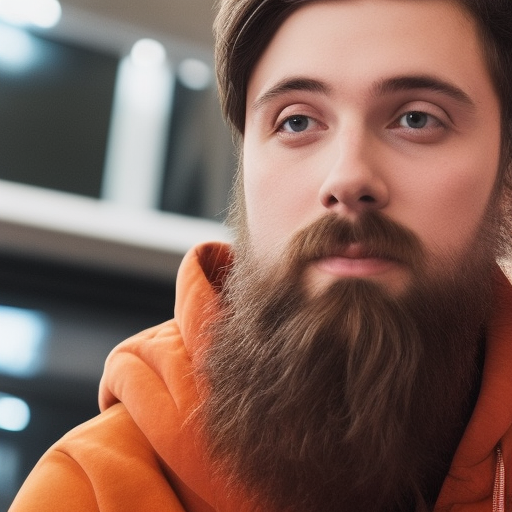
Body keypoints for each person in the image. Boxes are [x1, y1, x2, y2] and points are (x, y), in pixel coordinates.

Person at [8, 0, 512, 511]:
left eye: (417, 118)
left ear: (505, 174)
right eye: (296, 122)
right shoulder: (86, 492)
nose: (348, 178)